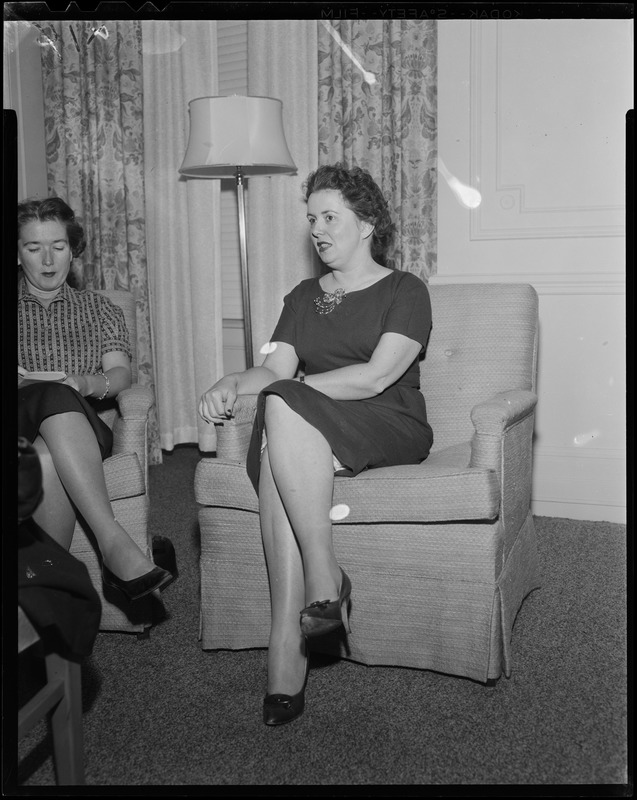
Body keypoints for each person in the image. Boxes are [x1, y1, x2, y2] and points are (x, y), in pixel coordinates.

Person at [199, 164, 433, 726]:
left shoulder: (405, 289)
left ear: (368, 222)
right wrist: (233, 381)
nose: (318, 230)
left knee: (284, 407)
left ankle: (305, 608)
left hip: (386, 419)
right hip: (306, 420)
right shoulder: (303, 296)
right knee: (281, 421)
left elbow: (375, 378)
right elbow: (271, 371)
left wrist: (289, 390)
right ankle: (306, 613)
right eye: (311, 219)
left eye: (331, 217)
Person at [18, 196, 174, 602]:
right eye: (33, 248)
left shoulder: (100, 309)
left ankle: (46, 592)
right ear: (18, 255)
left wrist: (85, 384)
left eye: (58, 246)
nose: (48, 259)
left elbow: (120, 374)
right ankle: (114, 546)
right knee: (45, 397)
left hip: (81, 432)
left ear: (73, 250)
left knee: (49, 451)